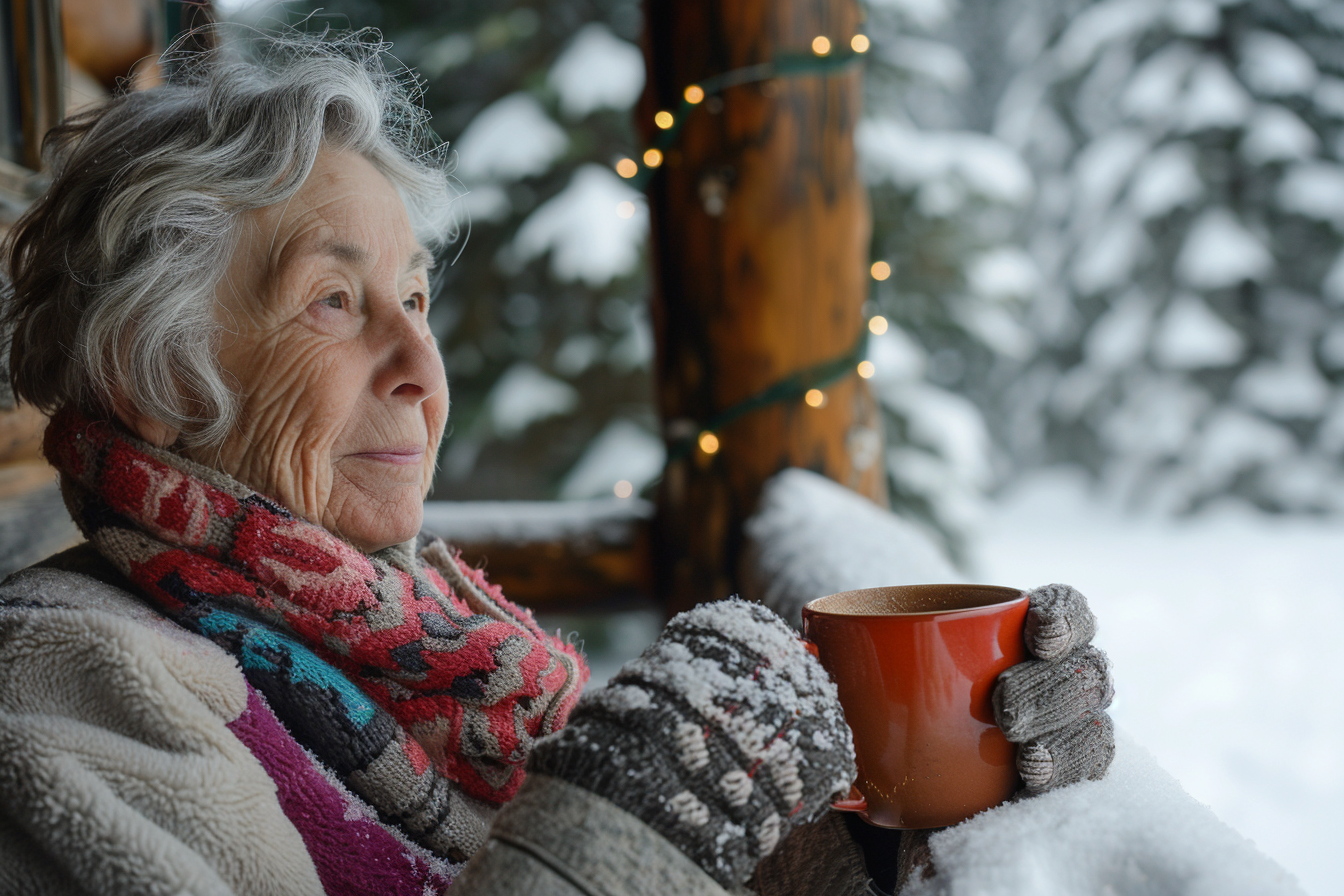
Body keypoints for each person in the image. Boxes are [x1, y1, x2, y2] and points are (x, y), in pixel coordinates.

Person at [0, 30, 1115, 896]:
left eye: (418, 299)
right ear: (152, 372)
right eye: (334, 301)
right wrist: (635, 810)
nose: (420, 369)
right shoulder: (71, 683)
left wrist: (949, 801)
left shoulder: (419, 640)